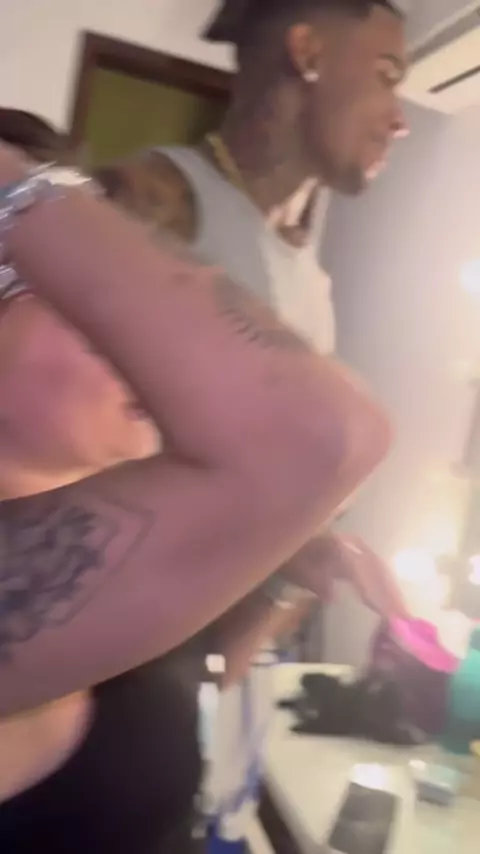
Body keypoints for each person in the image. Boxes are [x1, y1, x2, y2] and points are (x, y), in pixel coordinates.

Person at [0, 114, 393, 852]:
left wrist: (272, 578)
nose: (143, 348)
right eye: (85, 302)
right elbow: (323, 433)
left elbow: (195, 690)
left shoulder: (127, 520)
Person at [100, 0, 409, 669]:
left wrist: (296, 567)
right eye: (386, 75)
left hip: (178, 665)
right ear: (308, 53)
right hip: (77, 660)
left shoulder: (313, 287)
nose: (400, 118)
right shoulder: (145, 204)